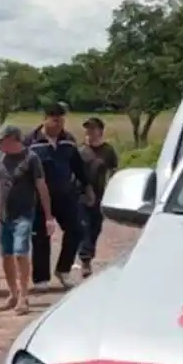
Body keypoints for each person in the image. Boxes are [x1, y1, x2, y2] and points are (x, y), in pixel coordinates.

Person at [0, 125, 55, 315]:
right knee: (6, 255)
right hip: (4, 215)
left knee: (21, 253)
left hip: (24, 214)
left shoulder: (31, 159)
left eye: (1, 140)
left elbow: (42, 188)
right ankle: (12, 294)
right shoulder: (0, 156)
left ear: (13, 139)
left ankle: (24, 297)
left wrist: (48, 217)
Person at [24, 103, 93, 291]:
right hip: (38, 197)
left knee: (76, 230)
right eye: (55, 120)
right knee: (40, 236)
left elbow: (77, 166)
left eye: (62, 120)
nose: (59, 124)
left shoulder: (68, 140)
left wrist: (87, 187)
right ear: (45, 118)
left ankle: (63, 269)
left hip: (65, 194)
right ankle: (41, 279)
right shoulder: (30, 142)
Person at [77, 117, 119, 278]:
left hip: (101, 194)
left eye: (93, 129)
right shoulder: (80, 151)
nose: (90, 132)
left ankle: (89, 253)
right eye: (87, 129)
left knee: (96, 227)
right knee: (84, 226)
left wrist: (112, 187)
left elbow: (113, 169)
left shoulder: (107, 150)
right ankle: (85, 260)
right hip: (81, 195)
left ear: (100, 131)